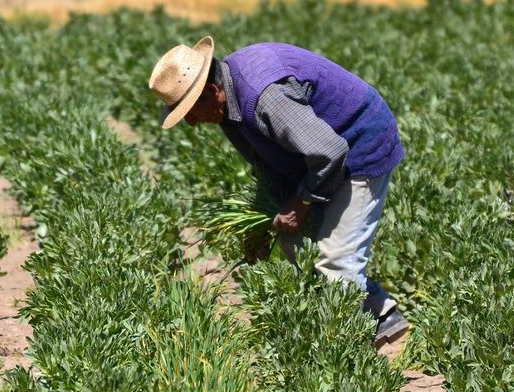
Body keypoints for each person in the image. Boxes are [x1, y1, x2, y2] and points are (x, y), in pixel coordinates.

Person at [148, 36, 409, 347]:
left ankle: (347, 355)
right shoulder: (228, 108)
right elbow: (269, 165)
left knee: (336, 263)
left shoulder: (265, 97)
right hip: (321, 155)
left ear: (210, 91)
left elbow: (329, 152)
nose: (190, 123)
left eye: (189, 110)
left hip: (359, 144)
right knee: (292, 240)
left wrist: (302, 201)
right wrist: (264, 225)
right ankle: (380, 314)